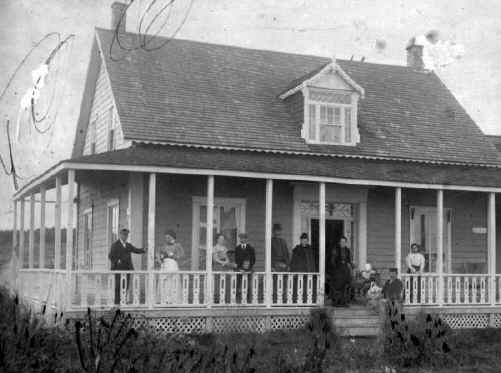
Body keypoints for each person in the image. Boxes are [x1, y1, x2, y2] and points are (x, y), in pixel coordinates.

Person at [108, 228, 147, 305]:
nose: (125, 237)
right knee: (118, 286)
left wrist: (144, 250)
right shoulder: (115, 245)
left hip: (127, 268)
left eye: (126, 235)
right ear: (120, 235)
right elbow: (110, 256)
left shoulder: (128, 245)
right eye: (124, 235)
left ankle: (123, 301)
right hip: (118, 269)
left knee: (125, 285)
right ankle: (117, 302)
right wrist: (117, 260)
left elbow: (136, 250)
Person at [156, 230, 184, 304]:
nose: (167, 239)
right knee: (164, 281)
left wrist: (173, 255)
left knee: (172, 281)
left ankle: (173, 299)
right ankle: (164, 299)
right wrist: (159, 260)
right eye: (166, 237)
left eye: (168, 237)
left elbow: (181, 255)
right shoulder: (163, 246)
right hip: (164, 265)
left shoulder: (177, 245)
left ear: (172, 237)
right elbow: (158, 254)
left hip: (172, 264)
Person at [290, 233, 317, 304]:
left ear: (307, 240)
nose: (304, 241)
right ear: (300, 240)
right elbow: (293, 261)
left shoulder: (310, 249)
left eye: (306, 240)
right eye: (303, 240)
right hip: (299, 272)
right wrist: (293, 271)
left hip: (308, 272)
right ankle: (297, 302)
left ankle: (307, 301)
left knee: (308, 288)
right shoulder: (297, 249)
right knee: (298, 288)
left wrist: (313, 271)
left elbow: (312, 261)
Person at [328, 236, 353, 306]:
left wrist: (351, 265)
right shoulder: (335, 249)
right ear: (339, 242)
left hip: (345, 270)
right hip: (337, 270)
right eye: (341, 242)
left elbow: (349, 260)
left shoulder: (347, 250)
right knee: (337, 286)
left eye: (344, 242)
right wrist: (335, 268)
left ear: (346, 243)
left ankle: (343, 302)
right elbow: (332, 260)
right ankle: (336, 302)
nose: (343, 243)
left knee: (344, 286)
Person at [234, 233, 256, 303]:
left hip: (248, 269)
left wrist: (248, 268)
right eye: (241, 238)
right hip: (240, 269)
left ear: (246, 239)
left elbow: (253, 259)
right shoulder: (237, 248)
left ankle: (249, 300)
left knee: (249, 285)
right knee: (239, 285)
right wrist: (240, 268)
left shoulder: (251, 248)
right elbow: (236, 259)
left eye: (243, 238)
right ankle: (238, 300)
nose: (242, 240)